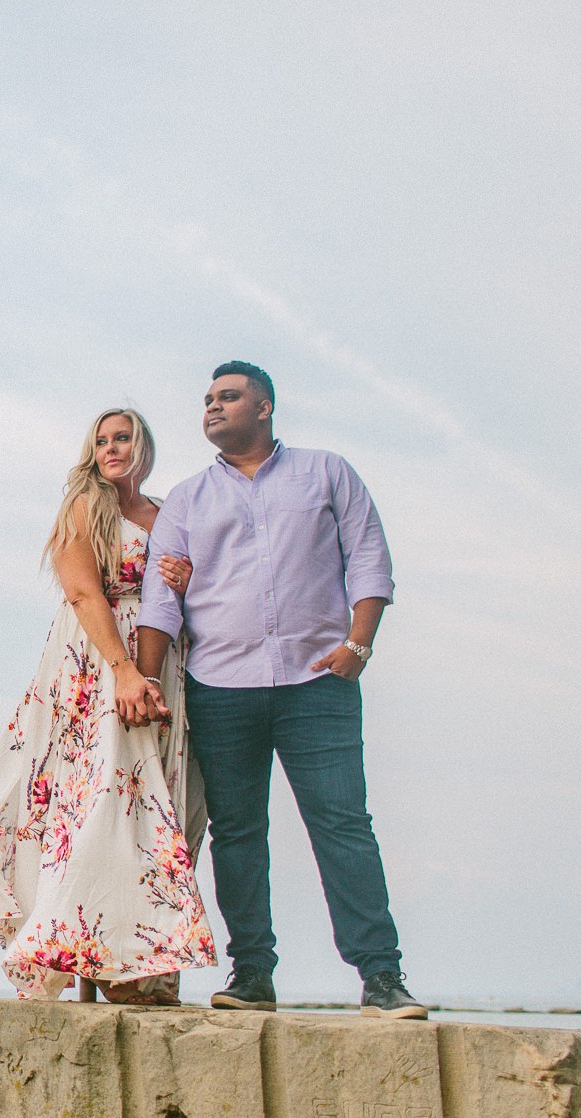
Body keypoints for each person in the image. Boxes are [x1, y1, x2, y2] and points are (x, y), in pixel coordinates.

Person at [133, 361, 427, 1019]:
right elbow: (161, 597)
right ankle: (252, 976)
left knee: (344, 824)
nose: (212, 406)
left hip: (317, 685)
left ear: (264, 407)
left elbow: (370, 557)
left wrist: (359, 643)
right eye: (207, 398)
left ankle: (382, 976)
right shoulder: (187, 498)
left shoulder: (327, 472)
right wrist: (148, 680)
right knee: (239, 833)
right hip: (222, 687)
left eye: (228, 396)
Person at [0, 408, 215, 1004]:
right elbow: (80, 590)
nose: (111, 449)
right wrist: (123, 670)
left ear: (143, 444)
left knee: (156, 806)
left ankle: (137, 955)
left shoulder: (164, 514)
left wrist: (186, 577)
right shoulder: (85, 505)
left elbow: (194, 595)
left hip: (165, 661)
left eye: (122, 438)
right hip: (99, 659)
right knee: (97, 801)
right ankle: (89, 954)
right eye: (101, 440)